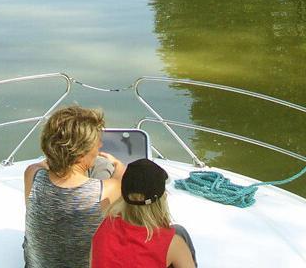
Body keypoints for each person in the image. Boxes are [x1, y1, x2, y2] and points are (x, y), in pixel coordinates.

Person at [23, 106, 126, 268]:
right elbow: (121, 176)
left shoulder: (32, 174)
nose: (100, 145)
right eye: (96, 142)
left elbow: (41, 164)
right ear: (80, 153)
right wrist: (117, 164)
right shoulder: (105, 190)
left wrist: (55, 157)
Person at [90, 158, 196, 268]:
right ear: (161, 200)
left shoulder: (103, 227)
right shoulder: (172, 245)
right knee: (180, 231)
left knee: (179, 230)